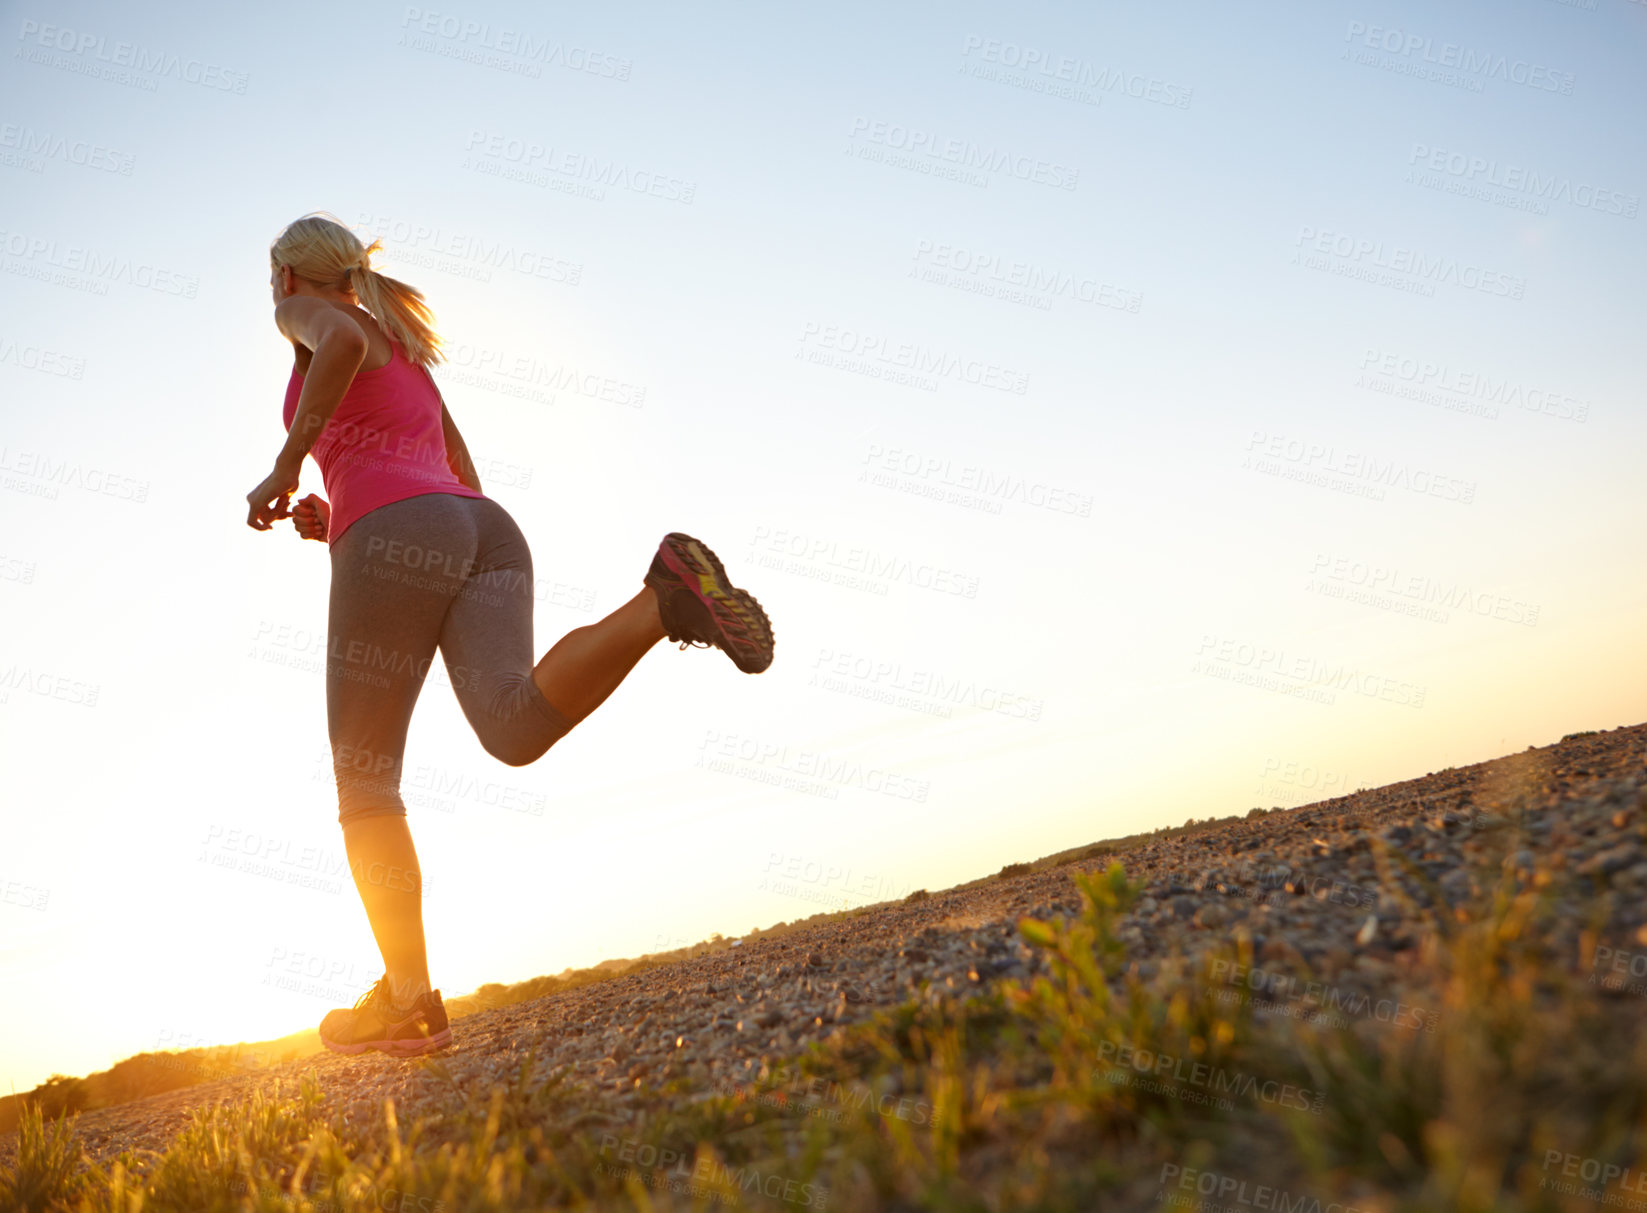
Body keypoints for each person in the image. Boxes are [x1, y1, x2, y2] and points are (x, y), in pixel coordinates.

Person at [246, 212, 774, 1057]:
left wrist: (287, 465)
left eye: (277, 280)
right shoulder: (406, 350)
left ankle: (407, 998)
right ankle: (661, 601)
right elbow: (449, 470)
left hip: (399, 530)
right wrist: (341, 515)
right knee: (514, 723)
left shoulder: (309, 316)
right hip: (480, 526)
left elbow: (336, 346)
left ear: (287, 276)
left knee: (365, 781)